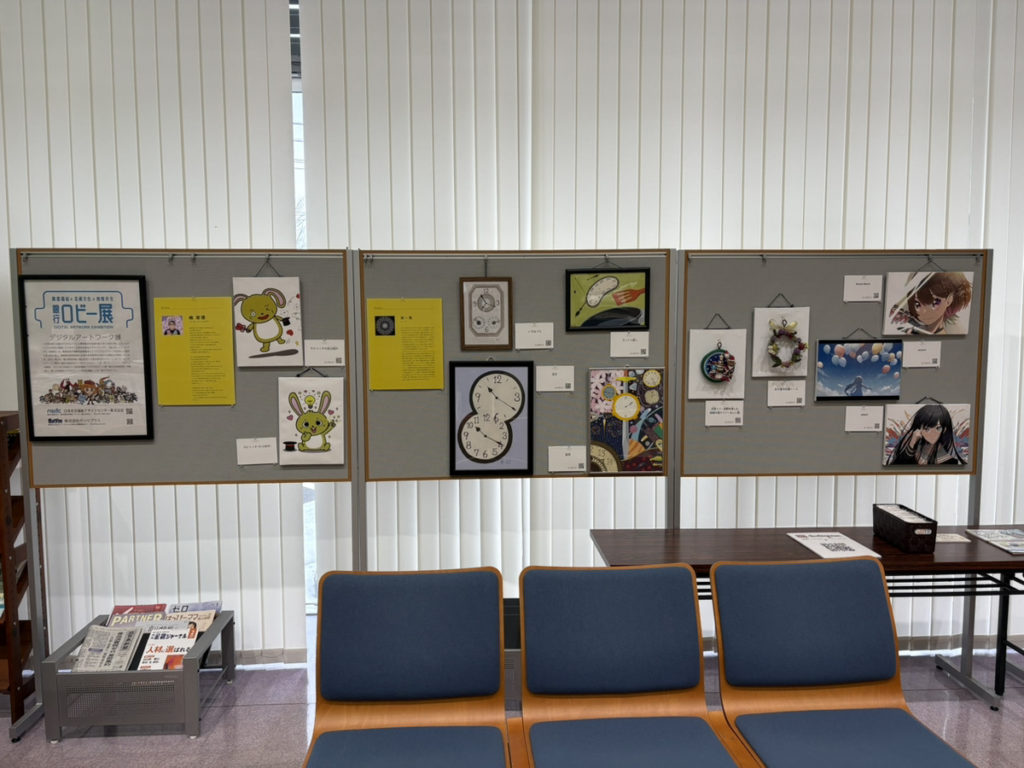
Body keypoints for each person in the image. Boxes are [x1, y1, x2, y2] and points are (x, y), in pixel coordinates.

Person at [888, 272, 972, 335]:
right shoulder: (907, 324)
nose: (923, 311)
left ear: (949, 300)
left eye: (935, 303)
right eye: (917, 304)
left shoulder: (952, 333)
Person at [886, 404, 966, 465]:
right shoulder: (913, 449)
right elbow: (897, 465)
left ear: (944, 429)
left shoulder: (950, 460)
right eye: (927, 429)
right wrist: (912, 443)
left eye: (938, 428)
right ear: (919, 429)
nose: (932, 434)